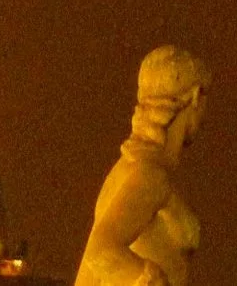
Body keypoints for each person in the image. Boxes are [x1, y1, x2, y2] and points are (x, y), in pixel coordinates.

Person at [73, 46, 209, 286]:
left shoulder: (129, 168)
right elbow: (100, 250)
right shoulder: (150, 175)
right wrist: (152, 279)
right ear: (196, 96)